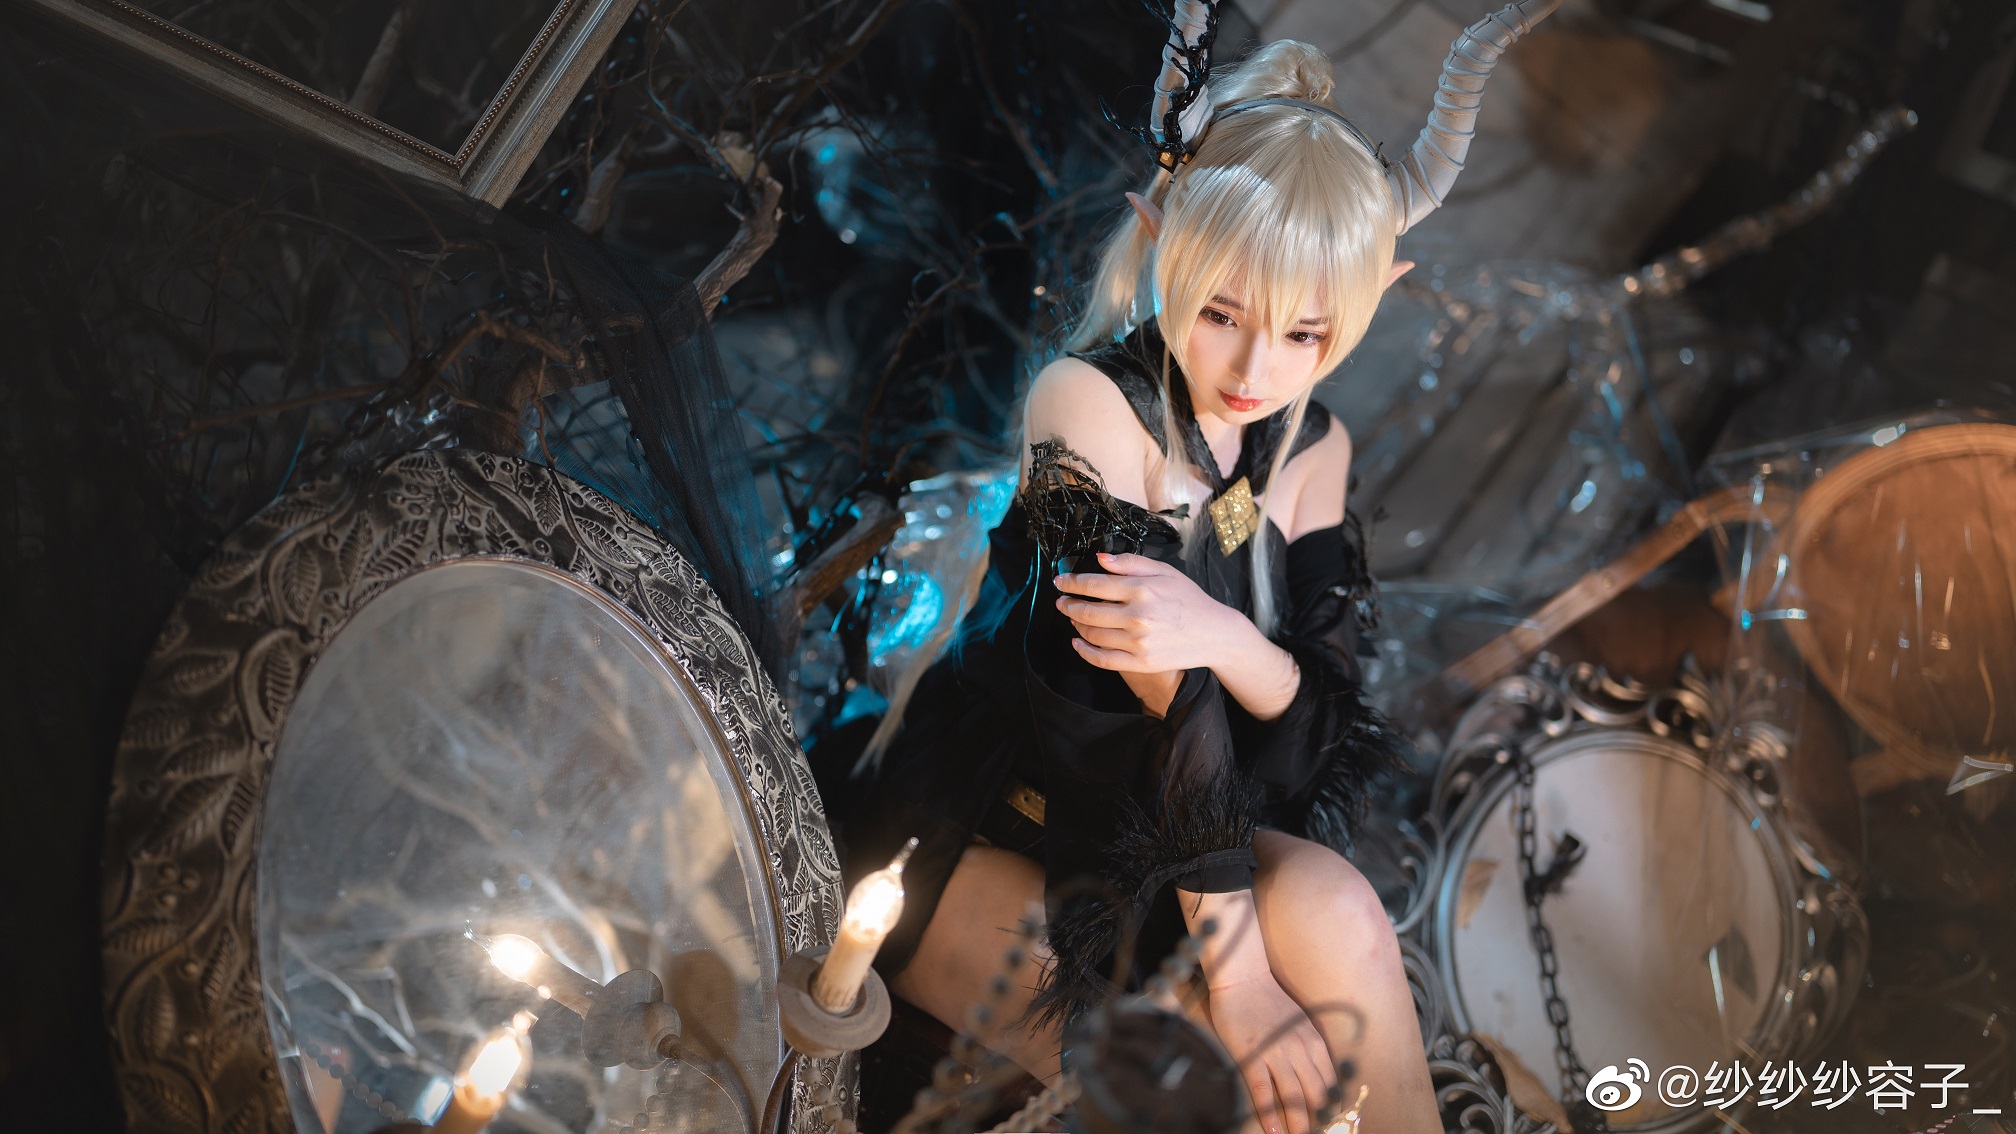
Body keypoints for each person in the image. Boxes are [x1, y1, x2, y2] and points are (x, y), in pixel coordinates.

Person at [818, 4, 1559, 1131]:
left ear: (1377, 295)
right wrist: (1242, 978)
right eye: (1221, 313)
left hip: (1174, 850)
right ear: (1160, 235)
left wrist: (1226, 637)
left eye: (1307, 333)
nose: (1259, 367)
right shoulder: (1086, 404)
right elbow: (1148, 710)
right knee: (1219, 1086)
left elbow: (1309, 744)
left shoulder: (1311, 449)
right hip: (996, 825)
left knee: (1341, 906)